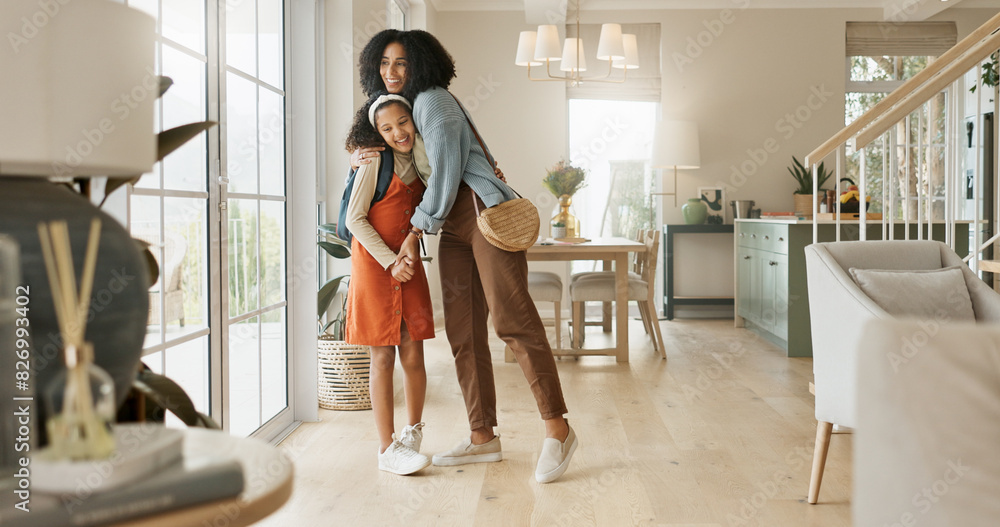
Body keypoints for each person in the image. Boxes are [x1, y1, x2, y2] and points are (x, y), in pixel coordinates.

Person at [351, 29, 578, 484]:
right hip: (452, 225)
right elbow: (407, 164)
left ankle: (559, 428)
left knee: (512, 319)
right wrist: (360, 154)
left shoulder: (434, 102)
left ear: (420, 64)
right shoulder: (406, 111)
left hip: (479, 212)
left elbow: (449, 173)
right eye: (383, 64)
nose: (391, 73)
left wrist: (415, 231)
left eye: (401, 63)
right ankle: (482, 436)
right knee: (463, 329)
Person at [343, 92, 435, 476]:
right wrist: (389, 262)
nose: (398, 132)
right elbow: (354, 219)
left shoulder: (423, 162)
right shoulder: (374, 162)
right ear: (376, 132)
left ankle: (412, 436)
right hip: (375, 267)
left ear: (414, 120)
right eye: (386, 127)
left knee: (414, 355)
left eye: (403, 122)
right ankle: (386, 448)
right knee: (382, 357)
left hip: (409, 266)